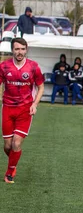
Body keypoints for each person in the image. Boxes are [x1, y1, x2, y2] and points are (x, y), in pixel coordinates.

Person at [0, 38, 44, 184]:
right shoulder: (4, 66)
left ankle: (9, 172)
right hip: (7, 108)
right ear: (12, 50)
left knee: (16, 143)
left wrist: (35, 104)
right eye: (17, 49)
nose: (20, 52)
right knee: (8, 145)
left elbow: (41, 87)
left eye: (22, 49)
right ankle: (14, 160)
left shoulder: (33, 67)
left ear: (26, 50)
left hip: (25, 110)